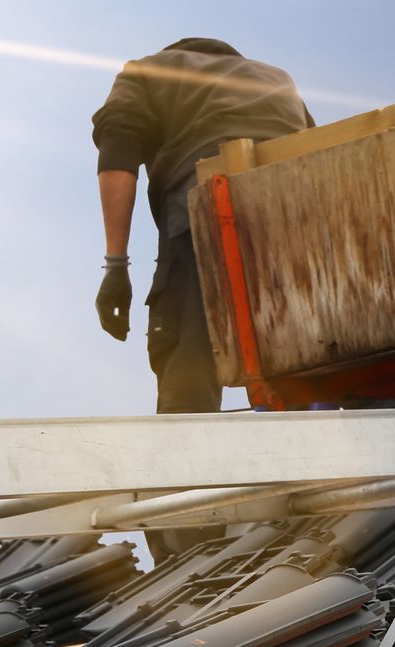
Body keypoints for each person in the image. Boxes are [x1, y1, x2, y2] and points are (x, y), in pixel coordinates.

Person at [92, 38, 314, 414]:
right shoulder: (278, 79)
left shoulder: (150, 69)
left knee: (187, 376)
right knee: (319, 369)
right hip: (299, 223)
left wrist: (116, 267)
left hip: (206, 217)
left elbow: (118, 150)